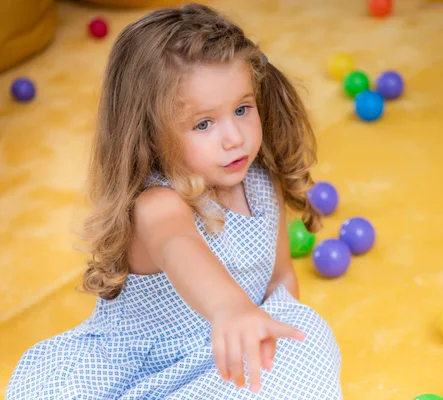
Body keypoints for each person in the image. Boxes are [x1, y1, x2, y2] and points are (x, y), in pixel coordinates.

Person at [6, 4, 342, 399]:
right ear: (150, 133)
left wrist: (261, 339)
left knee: (312, 340)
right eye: (203, 123)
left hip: (219, 365)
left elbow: (279, 280)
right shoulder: (158, 203)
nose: (234, 137)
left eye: (241, 108)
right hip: (132, 374)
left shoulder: (261, 184)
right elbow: (178, 246)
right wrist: (228, 308)